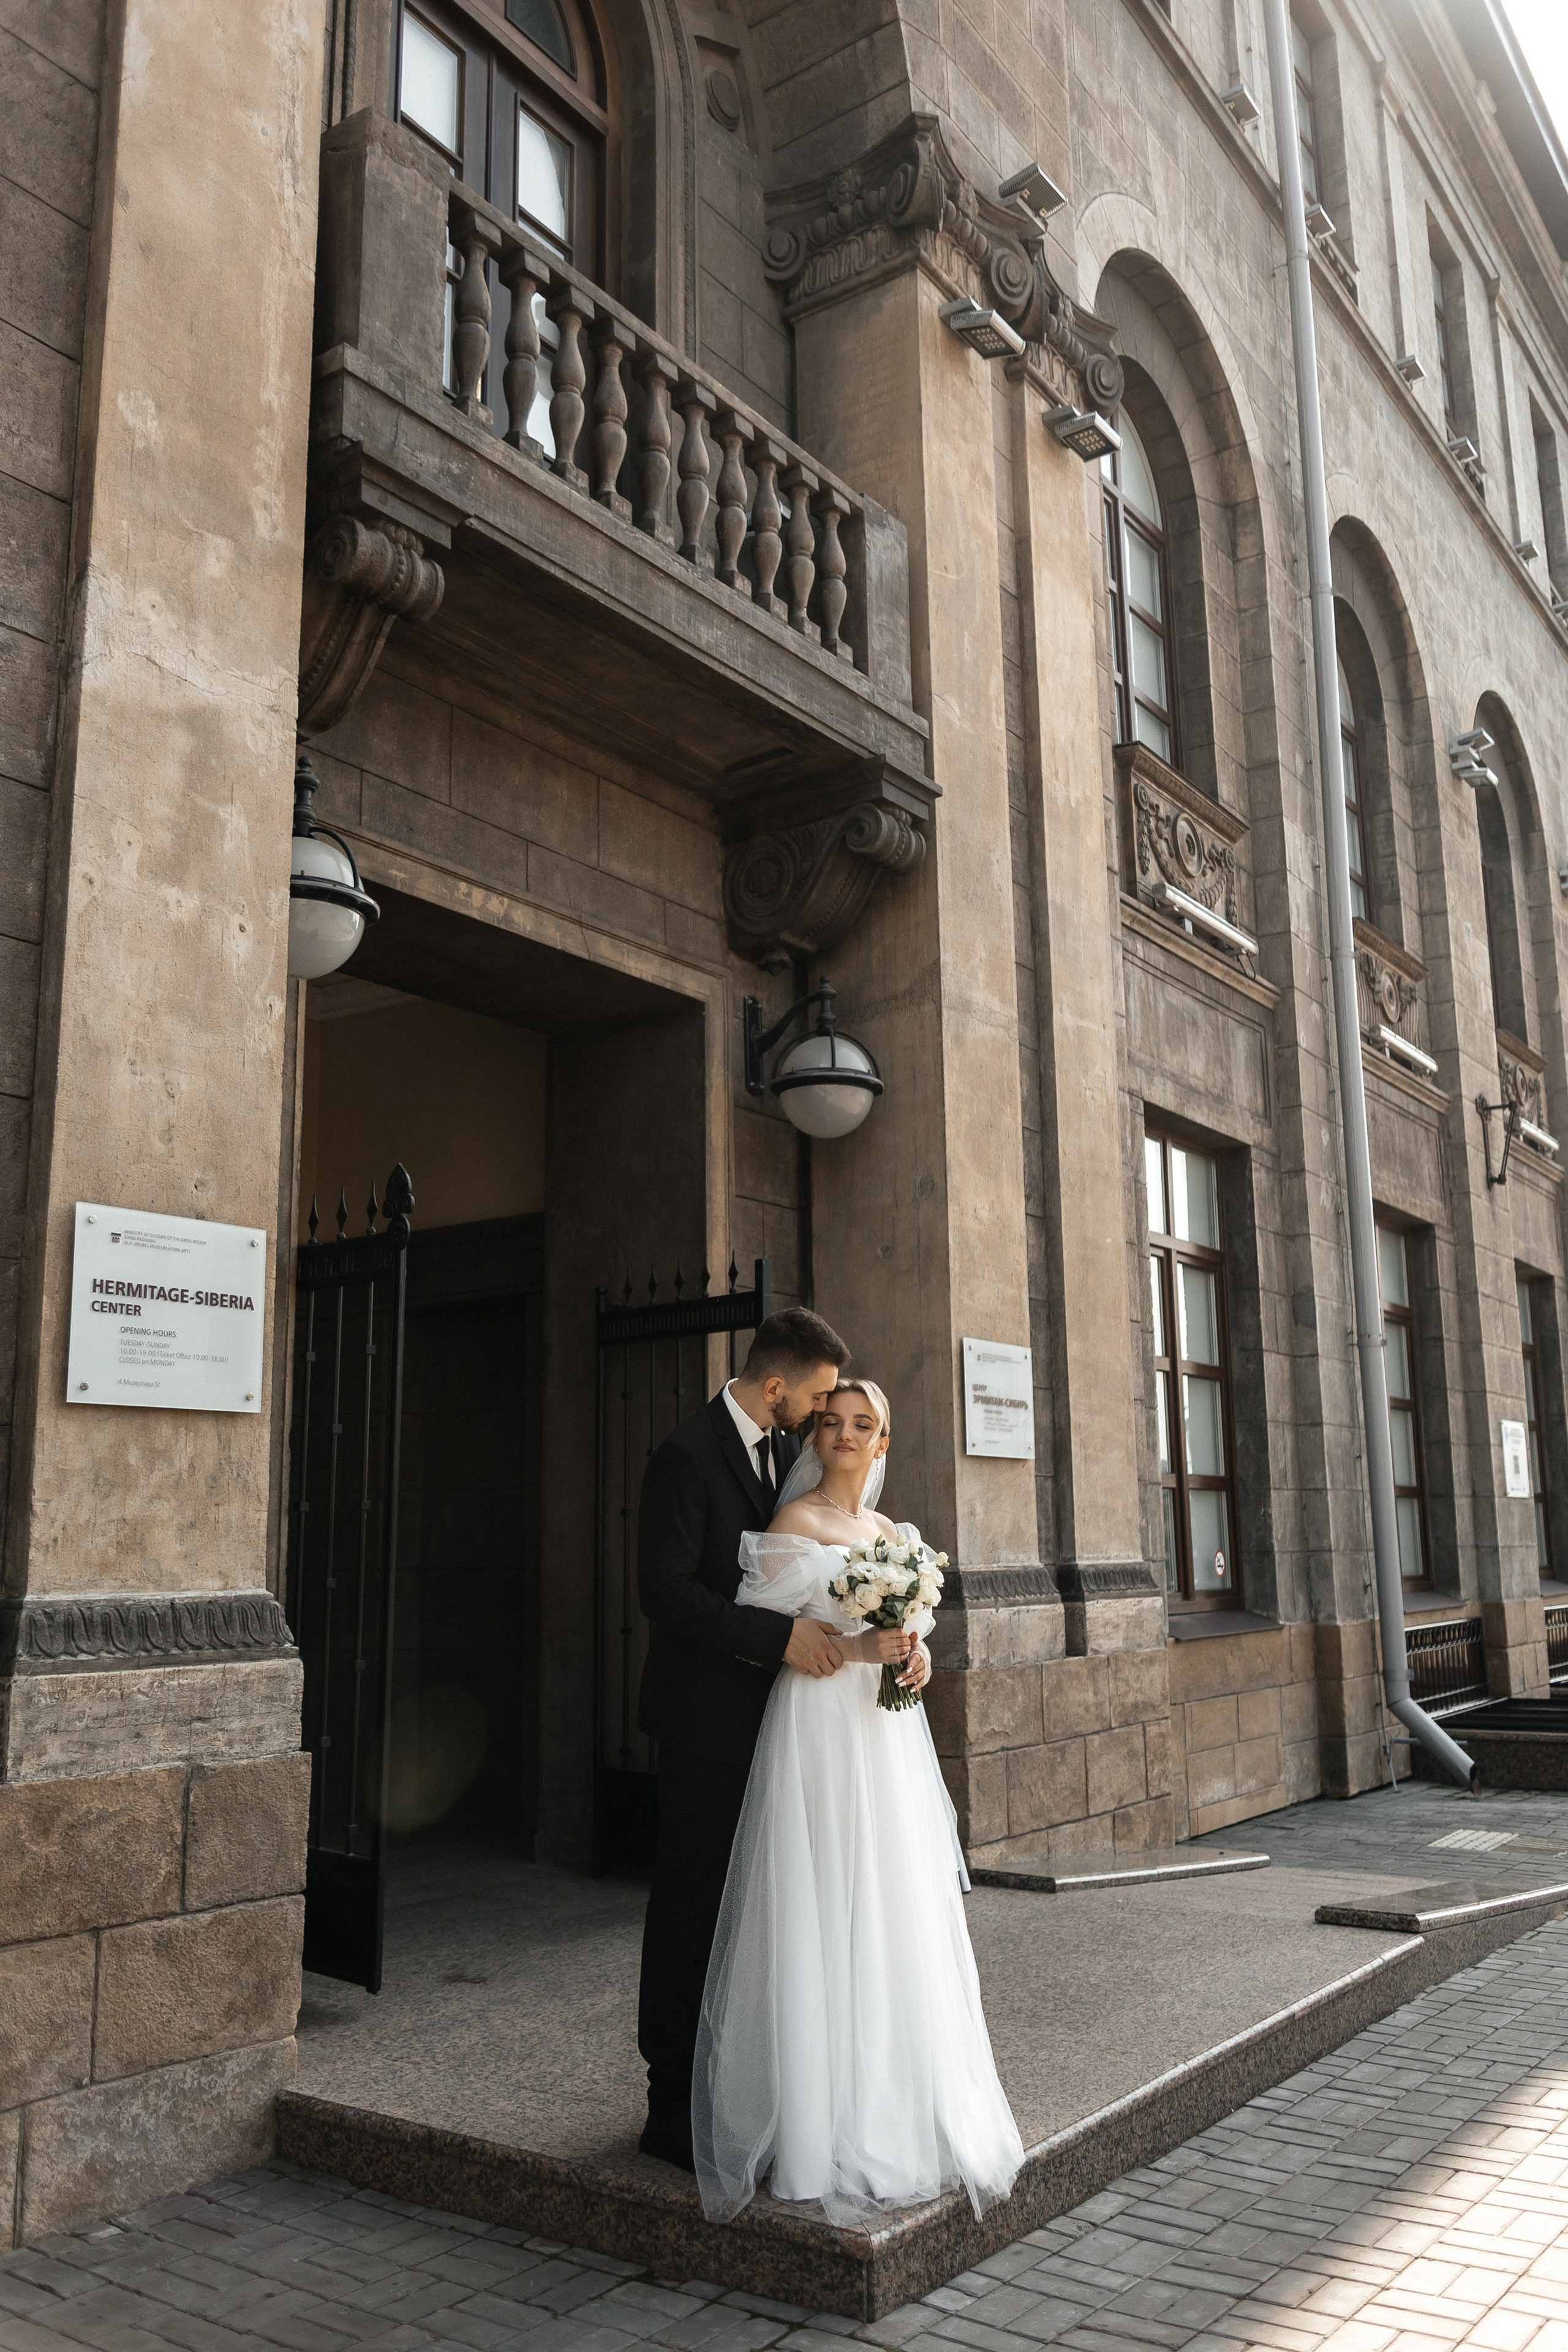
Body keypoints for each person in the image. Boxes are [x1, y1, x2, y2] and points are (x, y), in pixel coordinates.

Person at [692, 1379, 1024, 2225]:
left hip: (886, 1740)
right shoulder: (793, 1524)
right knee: (825, 1898)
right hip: (818, 1729)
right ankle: (815, 2129)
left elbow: (910, 1632)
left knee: (891, 1902)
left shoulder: (893, 1535)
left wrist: (913, 1660)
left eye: (863, 1424)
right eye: (833, 1420)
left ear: (884, 1444)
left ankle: (897, 2104)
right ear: (818, 1434)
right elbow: (762, 1638)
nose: (844, 1433)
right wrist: (853, 1644)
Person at [635, 1305, 853, 2171]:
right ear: (775, 1386)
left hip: (773, 1727)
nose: (824, 1412)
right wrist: (777, 1641)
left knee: (752, 1915)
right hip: (702, 1725)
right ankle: (667, 2105)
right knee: (690, 1907)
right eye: (819, 1395)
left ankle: (735, 2090)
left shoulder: (785, 1460)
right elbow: (665, 1593)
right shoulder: (685, 1458)